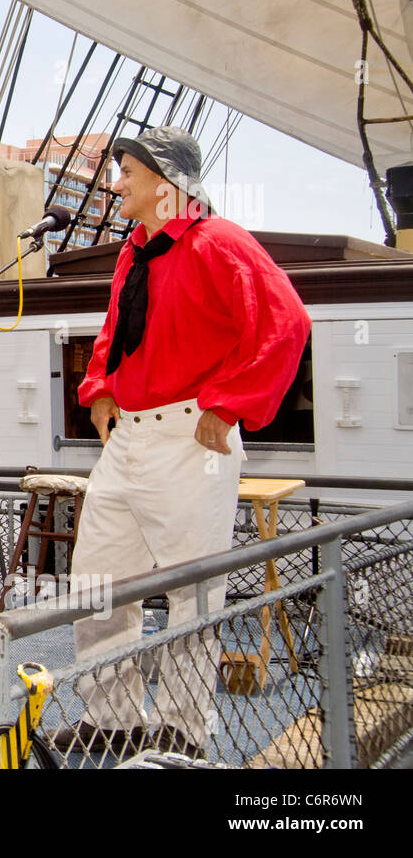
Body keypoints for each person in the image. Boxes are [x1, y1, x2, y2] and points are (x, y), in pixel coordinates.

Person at [53, 127, 311, 757]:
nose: (117, 186)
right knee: (96, 581)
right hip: (130, 442)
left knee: (190, 594)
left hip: (190, 441)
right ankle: (110, 719)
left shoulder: (221, 242)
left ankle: (181, 732)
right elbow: (117, 327)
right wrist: (101, 388)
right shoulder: (133, 252)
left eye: (128, 175)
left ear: (165, 185)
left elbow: (288, 322)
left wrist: (229, 406)